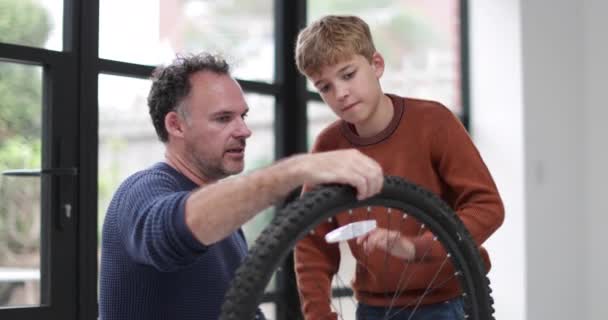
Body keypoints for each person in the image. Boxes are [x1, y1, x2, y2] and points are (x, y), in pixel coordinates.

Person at [98, 52, 384, 320]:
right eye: (223, 118)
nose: (244, 131)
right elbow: (171, 232)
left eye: (243, 116)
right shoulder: (139, 192)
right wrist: (297, 168)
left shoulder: (224, 219)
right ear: (176, 125)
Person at [293, 15, 505, 320]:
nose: (340, 93)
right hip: (373, 308)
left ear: (376, 65)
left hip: (449, 302)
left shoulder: (434, 122)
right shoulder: (328, 145)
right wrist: (317, 314)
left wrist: (418, 247)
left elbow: (487, 206)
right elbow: (311, 238)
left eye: (348, 74)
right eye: (325, 86)